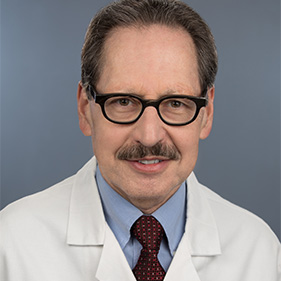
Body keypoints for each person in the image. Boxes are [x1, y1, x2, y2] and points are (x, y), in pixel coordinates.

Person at [0, 0, 280, 280]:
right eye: (123, 101)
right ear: (85, 108)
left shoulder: (259, 252)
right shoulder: (12, 245)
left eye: (175, 103)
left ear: (206, 114)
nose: (149, 136)